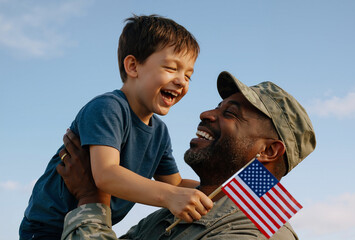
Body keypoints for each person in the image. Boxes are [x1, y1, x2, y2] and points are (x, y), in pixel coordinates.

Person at [57, 71, 316, 239]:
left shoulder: (251, 232)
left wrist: (92, 198)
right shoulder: (181, 211)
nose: (206, 114)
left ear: (268, 151)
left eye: (231, 114)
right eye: (217, 106)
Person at [19, 14, 213, 240]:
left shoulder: (159, 132)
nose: (182, 81)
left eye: (189, 75)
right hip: (48, 228)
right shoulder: (108, 108)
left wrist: (225, 189)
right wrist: (169, 196)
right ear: (133, 66)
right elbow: (106, 174)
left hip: (89, 224)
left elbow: (176, 183)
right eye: (171, 68)